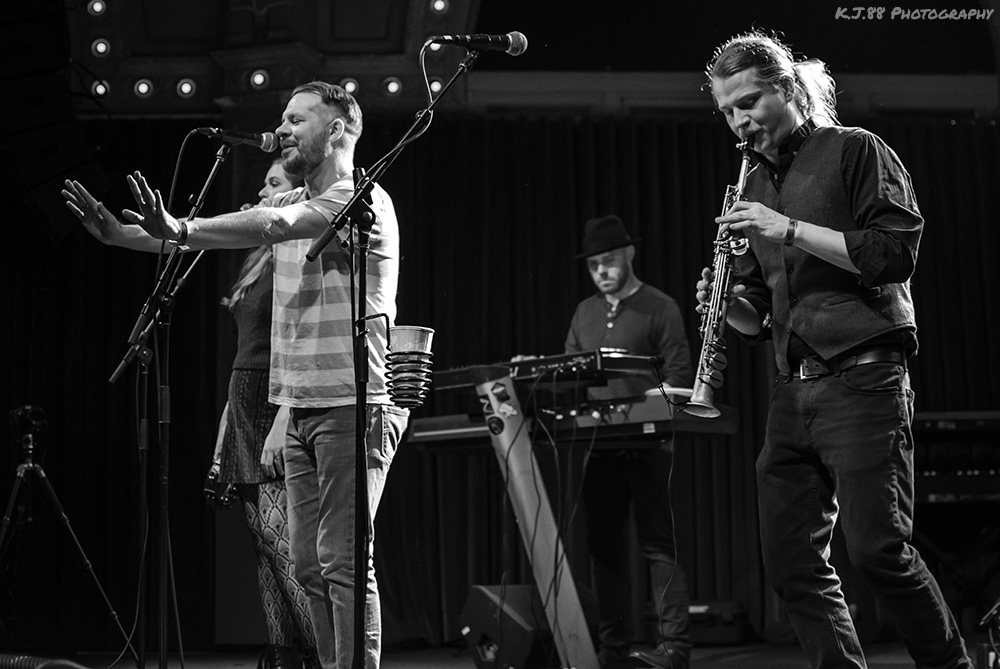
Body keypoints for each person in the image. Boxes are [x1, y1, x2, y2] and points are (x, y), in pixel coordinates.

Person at [63, 81, 408, 669]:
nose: (285, 127)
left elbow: (271, 228)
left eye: (298, 118)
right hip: (298, 404)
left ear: (337, 129)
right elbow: (230, 225)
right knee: (307, 566)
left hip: (353, 404)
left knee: (343, 562)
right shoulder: (287, 200)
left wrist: (179, 229)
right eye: (283, 117)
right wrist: (124, 236)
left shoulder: (358, 199)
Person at [697, 31, 971, 669]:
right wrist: (724, 301)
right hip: (792, 392)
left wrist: (787, 229)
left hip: (864, 378)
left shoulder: (855, 151)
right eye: (728, 112)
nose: (740, 123)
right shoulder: (755, 187)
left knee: (878, 551)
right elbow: (757, 318)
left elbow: (893, 254)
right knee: (791, 564)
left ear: (788, 87)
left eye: (750, 102)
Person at [565, 215, 694, 669]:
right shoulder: (584, 313)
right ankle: (612, 649)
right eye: (594, 264)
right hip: (600, 446)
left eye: (610, 261)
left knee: (659, 545)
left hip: (650, 443)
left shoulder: (660, 307)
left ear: (630, 255)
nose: (601, 271)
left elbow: (680, 377)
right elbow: (570, 375)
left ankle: (675, 648)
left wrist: (645, 406)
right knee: (605, 550)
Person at [206, 157, 319, 669]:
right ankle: (281, 654)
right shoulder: (260, 257)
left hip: (276, 400)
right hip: (245, 398)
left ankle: (324, 656)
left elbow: (293, 345)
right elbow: (243, 354)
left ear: (295, 196)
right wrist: (224, 434)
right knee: (260, 542)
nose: (262, 189)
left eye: (274, 183)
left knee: (281, 540)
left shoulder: (294, 255)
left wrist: (282, 420)